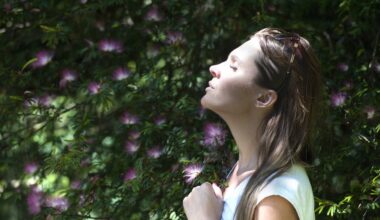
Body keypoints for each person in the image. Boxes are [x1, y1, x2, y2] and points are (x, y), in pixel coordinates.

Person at [183, 27, 322, 220]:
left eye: (233, 66)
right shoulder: (243, 174)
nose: (214, 68)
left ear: (264, 98)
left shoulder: (274, 195)